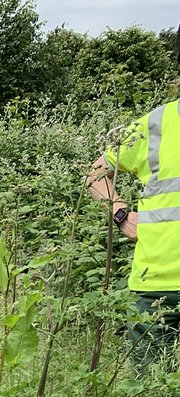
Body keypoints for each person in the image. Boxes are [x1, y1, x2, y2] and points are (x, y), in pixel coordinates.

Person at [86, 27, 180, 366]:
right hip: (157, 288)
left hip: (156, 284)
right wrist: (120, 213)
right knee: (149, 396)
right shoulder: (155, 124)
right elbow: (95, 174)